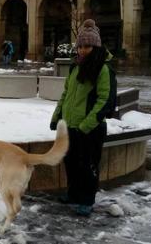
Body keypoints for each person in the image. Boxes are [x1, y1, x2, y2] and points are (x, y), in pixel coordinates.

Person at [49, 19, 116, 217]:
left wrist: (87, 125)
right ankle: (74, 194)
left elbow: (106, 100)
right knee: (71, 162)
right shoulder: (75, 67)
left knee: (88, 164)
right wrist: (57, 117)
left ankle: (87, 199)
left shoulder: (103, 69)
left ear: (95, 46)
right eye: (80, 46)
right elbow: (66, 94)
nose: (83, 50)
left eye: (87, 46)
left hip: (90, 129)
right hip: (70, 126)